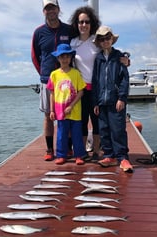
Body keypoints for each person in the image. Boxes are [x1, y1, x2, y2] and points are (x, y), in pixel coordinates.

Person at [31, 0, 72, 161]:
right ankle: (49, 149)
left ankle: (68, 148)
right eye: (47, 8)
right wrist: (44, 74)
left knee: (68, 114)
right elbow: (35, 56)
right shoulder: (39, 32)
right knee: (48, 116)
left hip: (68, 79)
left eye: (53, 8)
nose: (50, 11)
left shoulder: (68, 30)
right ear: (44, 12)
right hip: (47, 80)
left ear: (58, 9)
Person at [92, 26, 133, 173]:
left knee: (118, 129)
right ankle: (109, 155)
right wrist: (95, 102)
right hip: (102, 102)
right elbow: (95, 81)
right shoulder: (98, 59)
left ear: (112, 39)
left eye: (107, 38)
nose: (105, 41)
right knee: (104, 130)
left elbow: (124, 79)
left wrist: (122, 98)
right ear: (99, 42)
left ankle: (122, 157)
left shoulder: (119, 56)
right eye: (102, 39)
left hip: (116, 100)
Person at [69, 6, 101, 162]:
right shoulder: (73, 43)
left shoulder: (97, 41)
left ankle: (96, 152)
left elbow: (111, 53)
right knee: (81, 122)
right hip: (80, 90)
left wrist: (125, 58)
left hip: (95, 89)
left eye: (87, 22)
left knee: (96, 122)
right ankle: (81, 152)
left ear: (91, 23)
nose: (83, 25)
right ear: (76, 24)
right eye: (80, 22)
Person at [46, 44, 87, 165]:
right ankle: (61, 155)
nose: (64, 59)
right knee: (61, 134)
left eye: (67, 56)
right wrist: (52, 110)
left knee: (76, 134)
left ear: (71, 58)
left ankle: (79, 155)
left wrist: (72, 105)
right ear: (58, 59)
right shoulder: (54, 74)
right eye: (62, 57)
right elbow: (52, 93)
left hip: (74, 110)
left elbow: (81, 91)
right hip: (60, 111)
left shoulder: (76, 73)